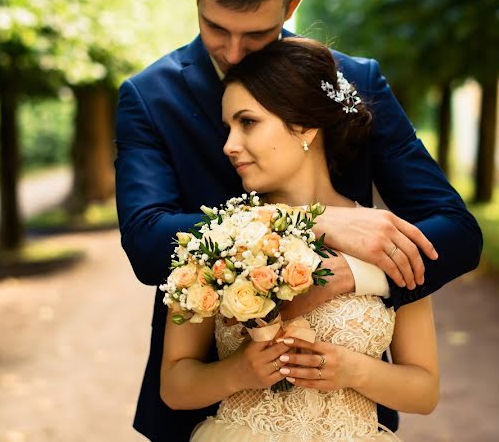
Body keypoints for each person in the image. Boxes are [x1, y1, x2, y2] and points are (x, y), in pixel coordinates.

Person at [116, 0, 481, 442]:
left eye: (257, 32)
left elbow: (458, 231)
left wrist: (358, 275)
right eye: (216, 27)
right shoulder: (149, 97)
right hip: (207, 414)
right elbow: (149, 244)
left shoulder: (350, 84)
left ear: (291, 6)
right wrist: (315, 224)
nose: (234, 51)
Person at [161, 38, 440, 441]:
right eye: (228, 128)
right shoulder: (219, 237)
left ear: (305, 126)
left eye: (248, 122)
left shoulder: (384, 237)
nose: (229, 146)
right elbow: (174, 385)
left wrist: (352, 370)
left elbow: (425, 391)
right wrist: (238, 371)